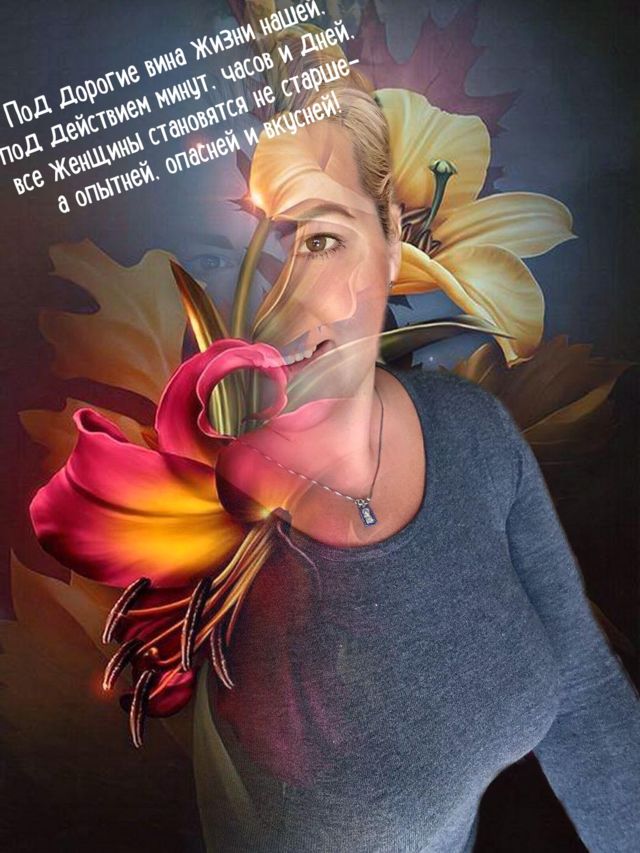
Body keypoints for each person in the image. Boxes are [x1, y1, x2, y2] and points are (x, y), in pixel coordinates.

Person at [188, 87, 640, 852]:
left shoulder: (471, 429)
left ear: (393, 240)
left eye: (321, 239)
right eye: (229, 258)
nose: (279, 306)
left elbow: (585, 695)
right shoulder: (192, 532)